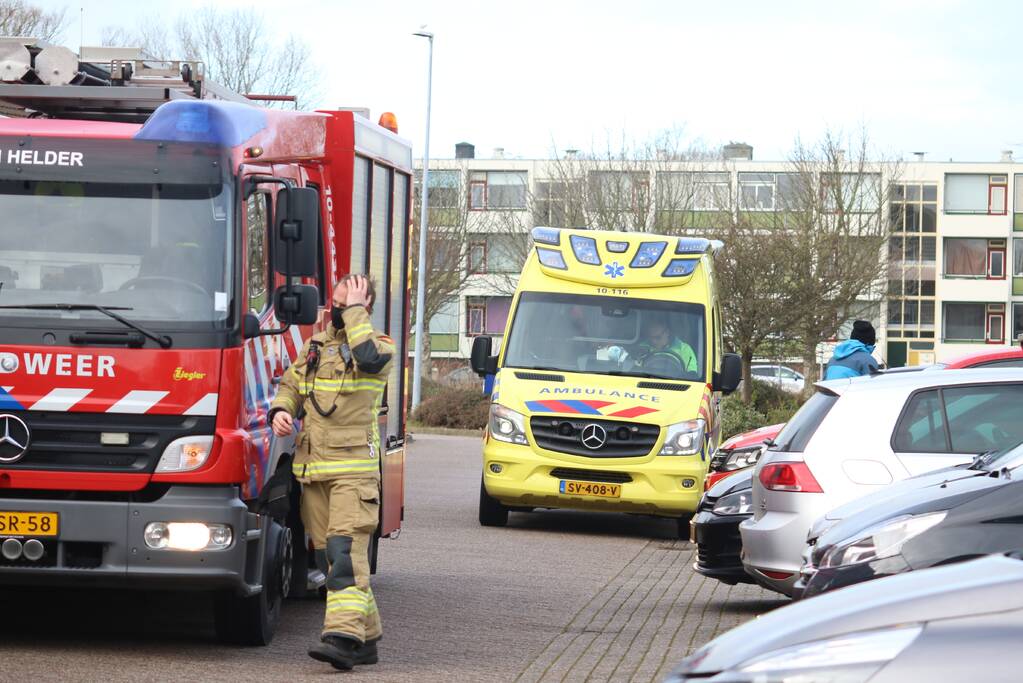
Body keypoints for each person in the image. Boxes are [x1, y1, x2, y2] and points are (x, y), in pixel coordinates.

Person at [269, 274, 395, 670]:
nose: (336, 311)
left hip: (353, 477)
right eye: (336, 304)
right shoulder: (315, 347)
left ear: (364, 305)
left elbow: (367, 359)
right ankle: (368, 638)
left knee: (345, 554)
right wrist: (282, 411)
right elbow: (291, 384)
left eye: (346, 304)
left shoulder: (380, 346)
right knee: (331, 561)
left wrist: (355, 310)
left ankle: (341, 639)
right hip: (314, 472)